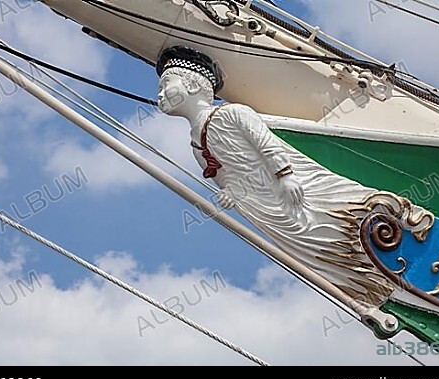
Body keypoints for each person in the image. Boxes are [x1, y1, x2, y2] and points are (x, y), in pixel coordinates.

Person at [157, 46, 394, 305]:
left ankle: (375, 244)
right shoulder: (195, 146)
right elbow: (224, 177)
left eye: (166, 84)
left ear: (192, 85)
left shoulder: (232, 113)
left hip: (286, 185)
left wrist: (285, 175)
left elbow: (267, 144)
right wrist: (229, 193)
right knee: (311, 245)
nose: (159, 95)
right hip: (262, 206)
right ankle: (361, 276)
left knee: (331, 217)